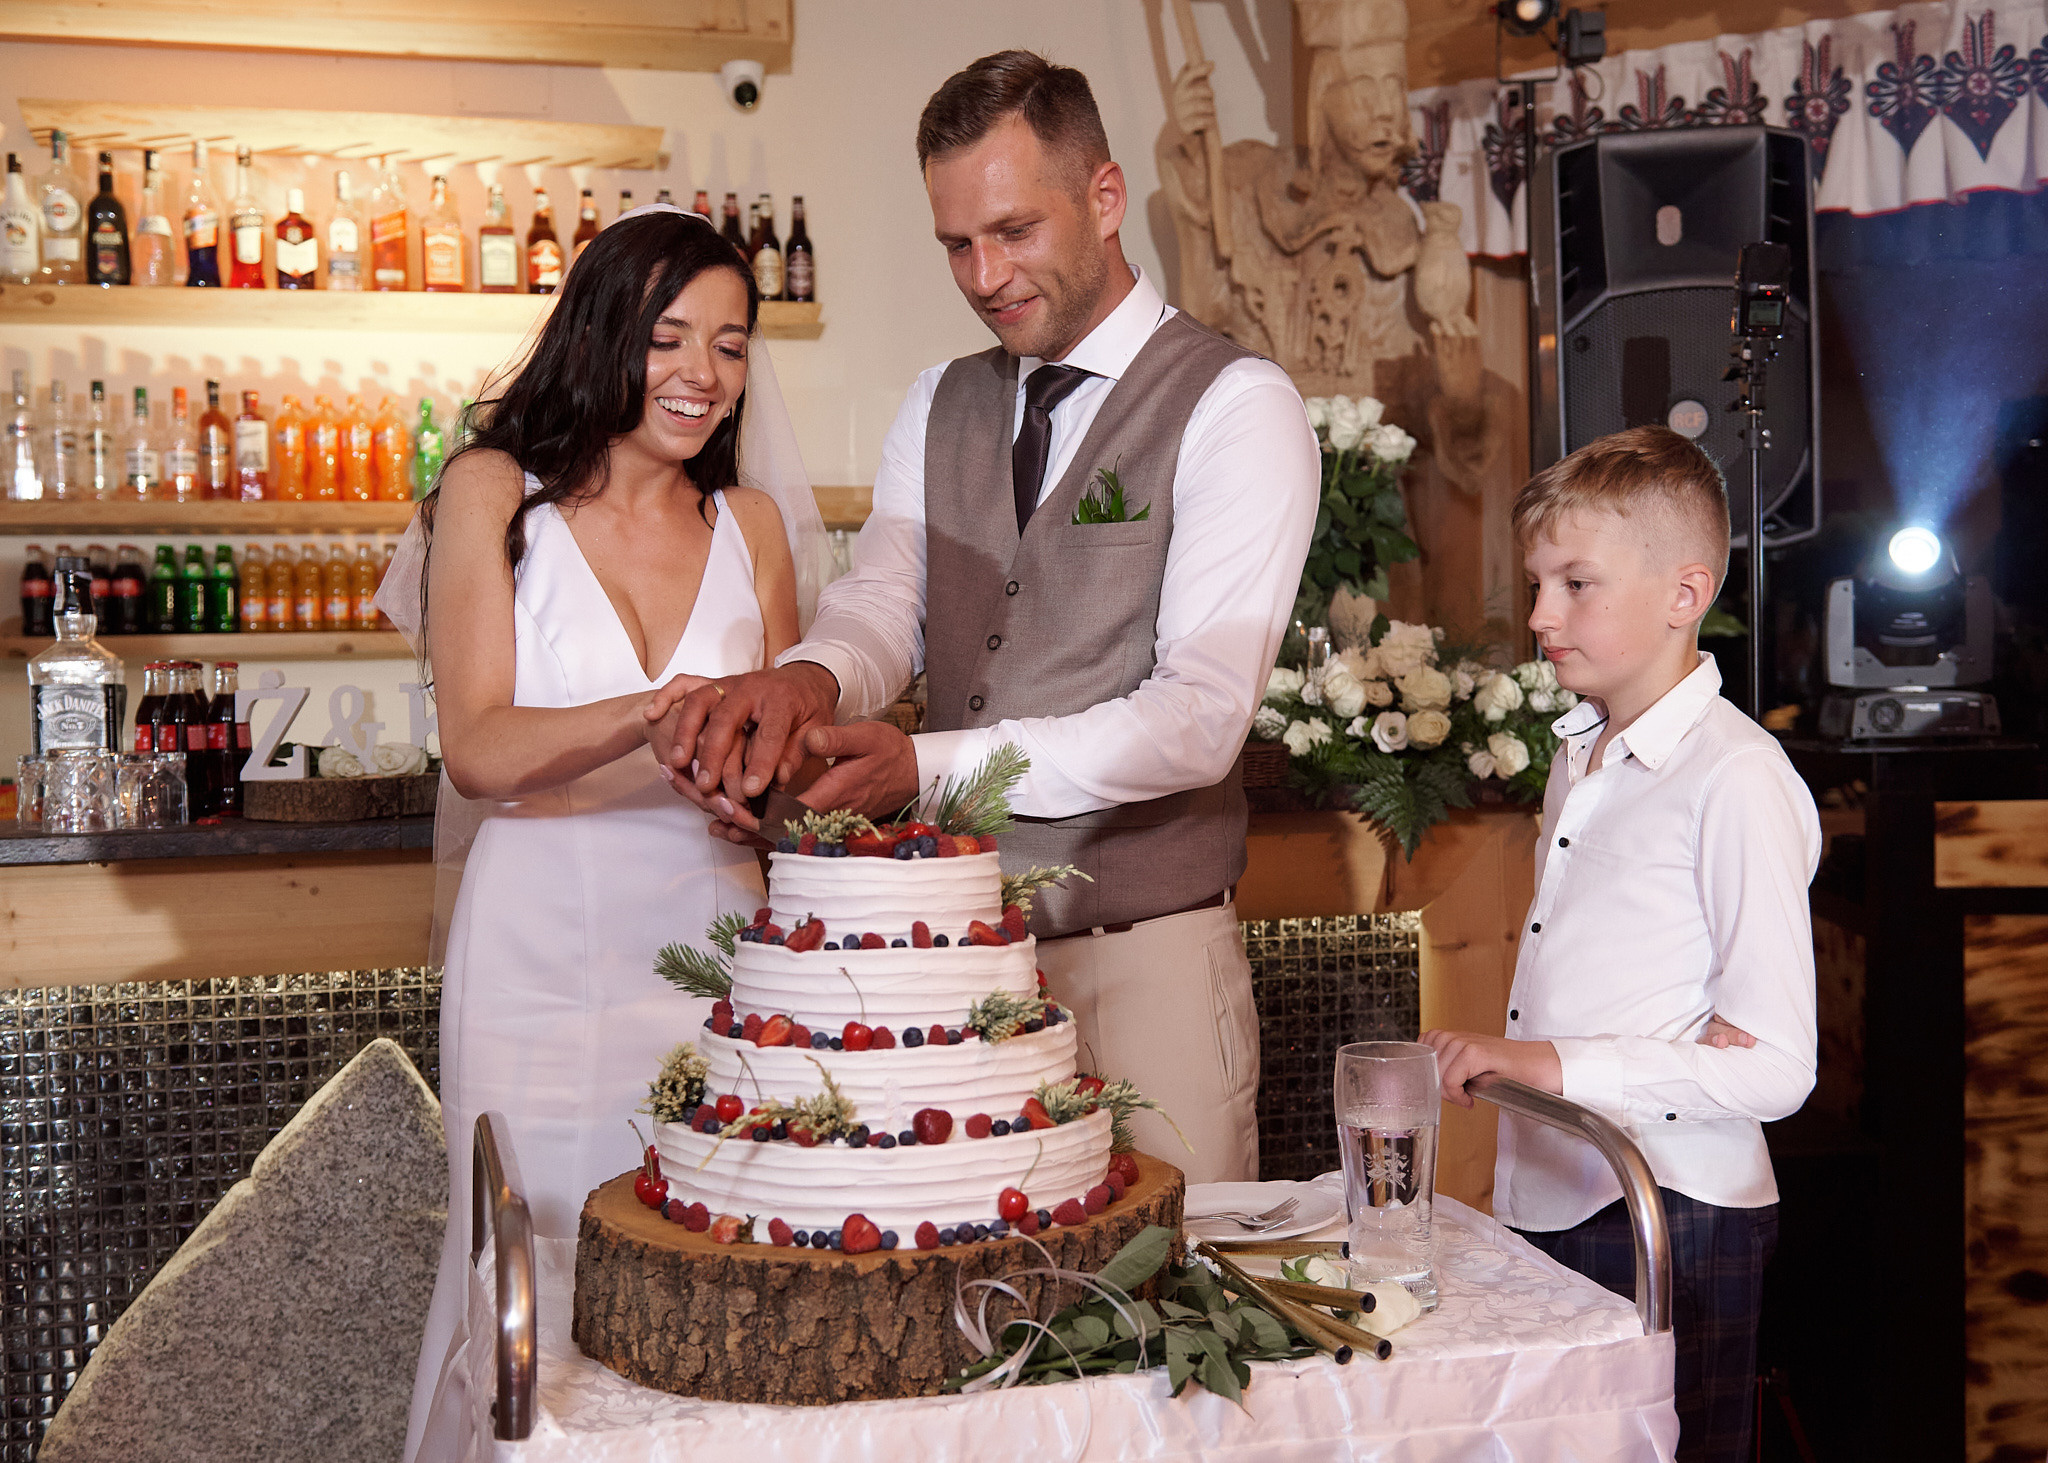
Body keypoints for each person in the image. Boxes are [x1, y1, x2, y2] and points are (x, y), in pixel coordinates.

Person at [646, 51, 1320, 1184]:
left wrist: (919, 767)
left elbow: (1198, 719)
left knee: (1163, 1310)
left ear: (1103, 200)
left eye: (1013, 231)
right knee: (983, 1312)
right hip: (957, 962)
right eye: (956, 243)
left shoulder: (1234, 406)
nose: (984, 273)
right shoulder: (938, 401)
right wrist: (805, 678)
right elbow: (885, 604)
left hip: (1142, 956)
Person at [381, 205, 828, 1463]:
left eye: (731, 345)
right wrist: (655, 710)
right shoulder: (490, 492)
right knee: (526, 1278)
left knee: (718, 1261)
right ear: (602, 334)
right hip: (536, 949)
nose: (702, 373)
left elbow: (784, 765)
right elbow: (477, 742)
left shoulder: (751, 528)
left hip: (714, 939)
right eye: (669, 335)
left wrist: (763, 785)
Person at [1421, 425, 1820, 1463]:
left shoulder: (1734, 776)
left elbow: (1776, 1066)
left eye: (1575, 583)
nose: (1542, 615)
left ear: (1683, 592)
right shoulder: (1583, 747)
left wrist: (1548, 1062)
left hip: (1670, 1207)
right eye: (1537, 583)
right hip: (1556, 1186)